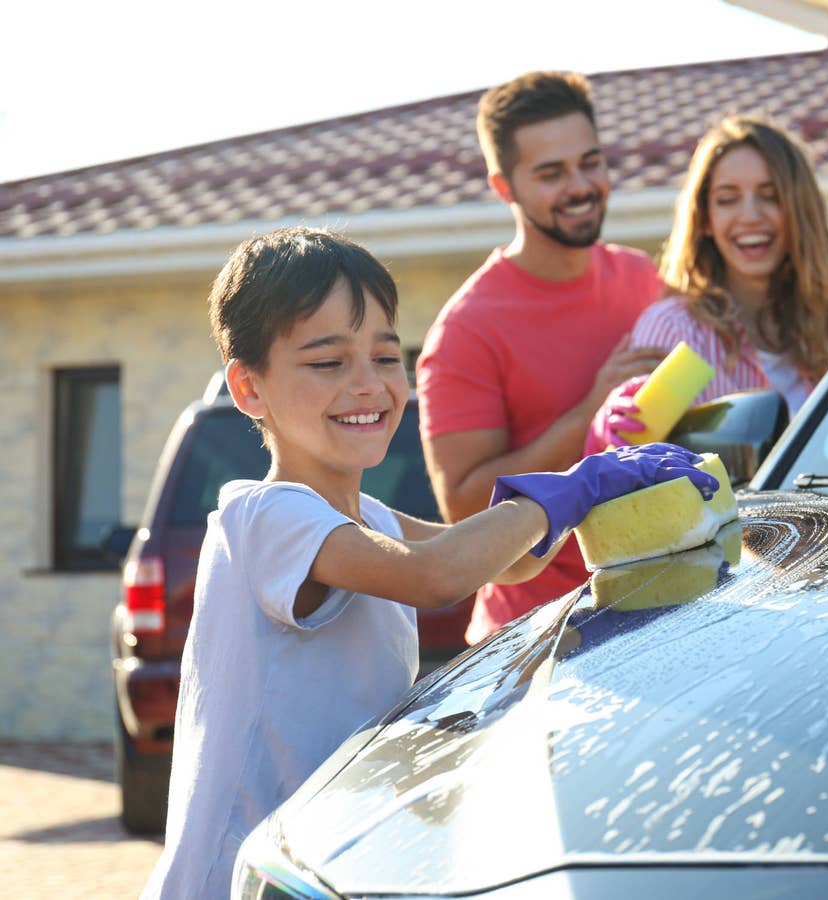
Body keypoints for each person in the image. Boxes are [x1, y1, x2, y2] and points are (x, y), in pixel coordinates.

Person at [138, 226, 716, 900]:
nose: (368, 385)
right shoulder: (263, 517)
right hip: (236, 881)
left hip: (316, 868)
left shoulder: (371, 521)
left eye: (386, 357)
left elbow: (506, 565)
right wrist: (573, 486)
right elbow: (435, 576)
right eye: (328, 363)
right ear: (249, 389)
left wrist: (607, 489)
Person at [417, 70, 667, 644]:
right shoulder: (466, 330)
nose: (580, 185)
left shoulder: (642, 278)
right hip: (532, 638)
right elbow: (463, 509)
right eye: (551, 173)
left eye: (590, 162)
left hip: (655, 607)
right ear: (505, 187)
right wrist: (590, 414)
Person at [586, 115, 828, 453]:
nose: (750, 215)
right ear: (705, 219)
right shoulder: (673, 331)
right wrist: (611, 429)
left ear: (800, 210)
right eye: (728, 199)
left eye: (771, 196)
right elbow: (632, 468)